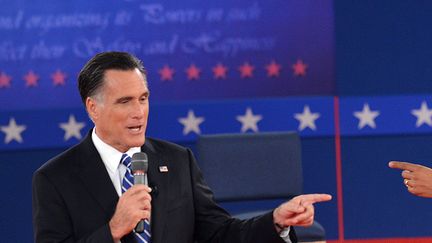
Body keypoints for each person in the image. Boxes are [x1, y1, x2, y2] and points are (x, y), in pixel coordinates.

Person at [32, 51, 332, 243]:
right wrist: (112, 230)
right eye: (125, 101)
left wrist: (275, 220)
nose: (139, 112)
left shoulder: (177, 160)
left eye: (144, 98)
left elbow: (219, 233)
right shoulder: (56, 178)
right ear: (92, 108)